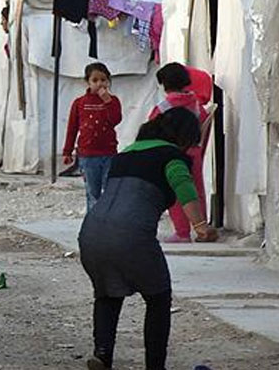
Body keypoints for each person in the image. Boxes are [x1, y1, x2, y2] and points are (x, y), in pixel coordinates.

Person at [78, 108, 219, 370]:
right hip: (131, 235)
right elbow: (183, 185)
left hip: (91, 232)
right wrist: (201, 226)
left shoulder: (126, 153)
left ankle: (102, 354)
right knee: (158, 297)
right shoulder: (172, 155)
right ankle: (155, 365)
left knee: (107, 293)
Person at [148, 62, 210, 243]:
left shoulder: (164, 106)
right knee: (197, 190)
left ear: (164, 84)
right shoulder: (195, 103)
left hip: (173, 154)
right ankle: (202, 229)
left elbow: (152, 126)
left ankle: (182, 232)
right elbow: (203, 121)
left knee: (175, 191)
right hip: (194, 151)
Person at [63, 63, 123, 211]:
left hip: (108, 152)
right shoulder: (80, 103)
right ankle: (93, 224)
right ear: (88, 82)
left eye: (103, 80)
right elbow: (72, 128)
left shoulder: (113, 101)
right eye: (95, 80)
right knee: (92, 192)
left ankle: (107, 222)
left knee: (109, 190)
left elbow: (115, 120)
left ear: (108, 81)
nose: (99, 84)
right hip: (87, 154)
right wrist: (67, 151)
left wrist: (107, 101)